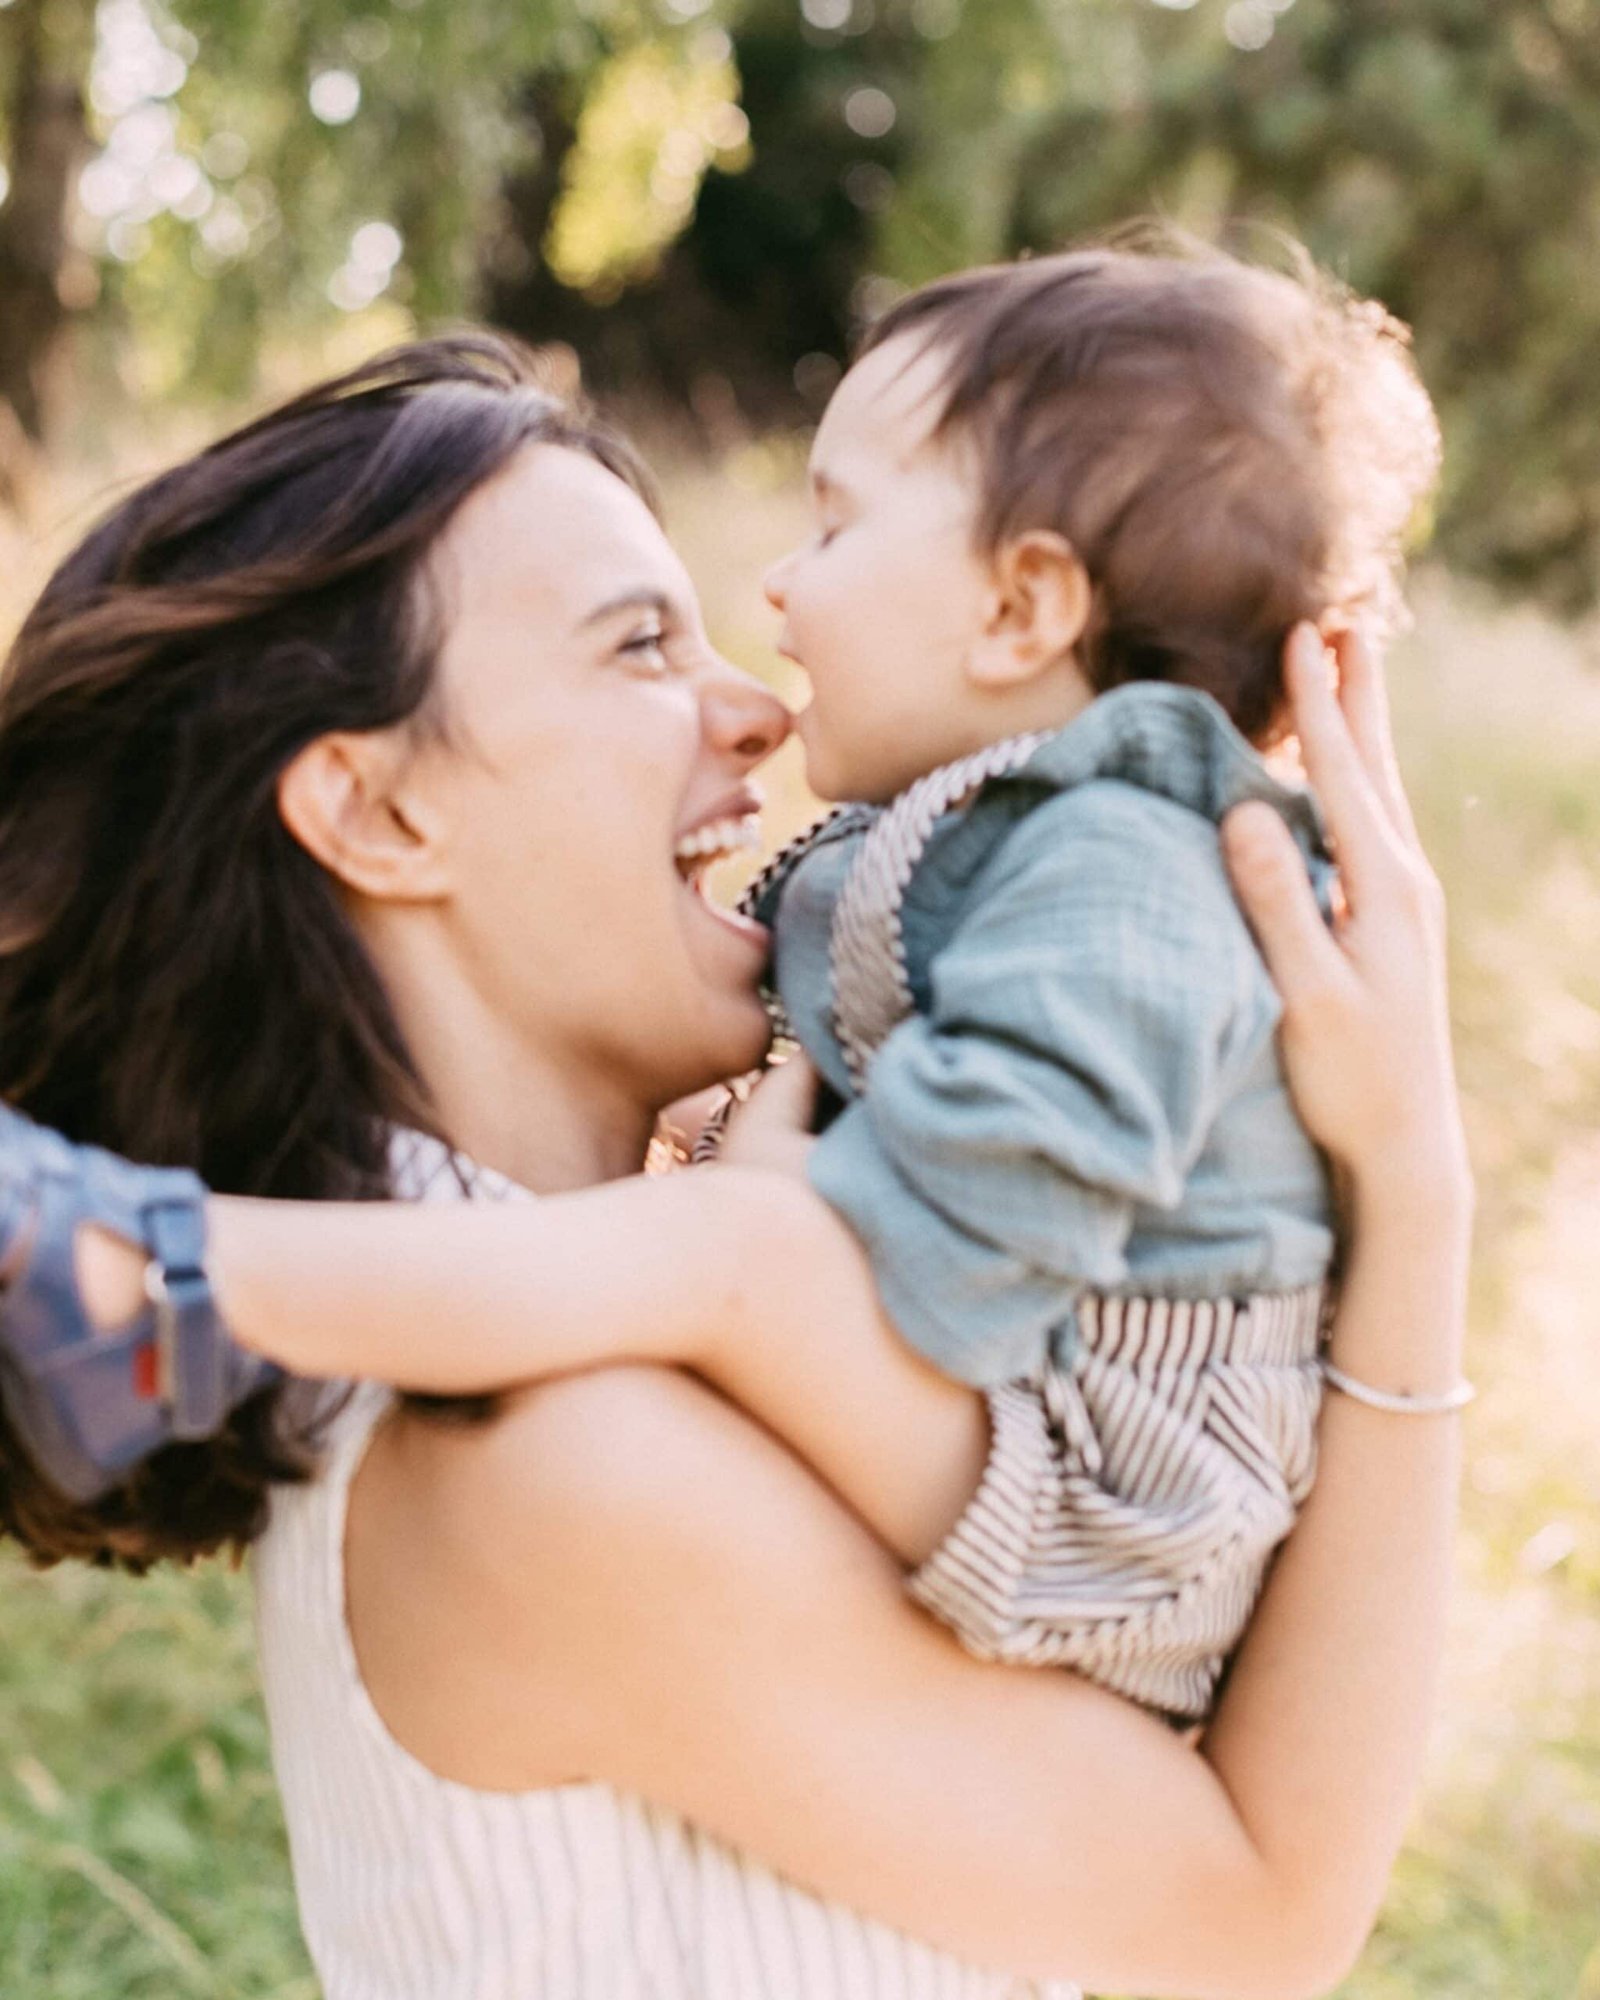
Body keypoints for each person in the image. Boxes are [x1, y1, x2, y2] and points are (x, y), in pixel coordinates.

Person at [0, 333, 1471, 1998]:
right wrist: (1411, 1186)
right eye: (638, 645)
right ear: (384, 814)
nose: (762, 710)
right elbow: (1259, 1917)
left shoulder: (612, 1318)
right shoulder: (545, 1453)